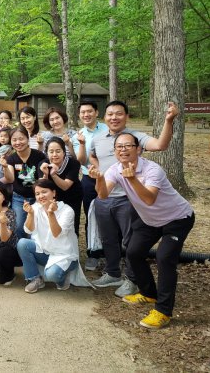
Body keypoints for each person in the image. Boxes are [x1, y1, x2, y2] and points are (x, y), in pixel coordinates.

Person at [89, 133, 194, 329]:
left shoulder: (153, 170)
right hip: (150, 220)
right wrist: (99, 179)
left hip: (177, 218)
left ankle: (163, 311)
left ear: (138, 149)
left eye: (128, 145)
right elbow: (102, 195)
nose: (123, 149)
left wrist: (132, 179)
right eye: (119, 146)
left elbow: (149, 199)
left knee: (164, 258)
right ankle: (148, 293)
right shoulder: (115, 169)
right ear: (115, 151)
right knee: (133, 252)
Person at [89, 100, 178, 298]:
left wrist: (169, 121)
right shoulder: (97, 138)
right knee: (108, 238)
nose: (114, 117)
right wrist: (98, 170)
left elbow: (161, 145)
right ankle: (112, 273)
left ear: (127, 116)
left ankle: (132, 279)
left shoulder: (136, 137)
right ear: (104, 117)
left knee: (131, 241)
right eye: (110, 114)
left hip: (129, 198)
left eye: (119, 113)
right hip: (105, 195)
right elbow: (93, 156)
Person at [17, 179, 86, 293]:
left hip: (65, 255)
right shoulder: (35, 207)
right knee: (22, 243)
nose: (41, 196)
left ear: (53, 193)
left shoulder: (67, 210)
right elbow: (28, 230)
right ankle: (35, 279)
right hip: (45, 252)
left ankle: (62, 280)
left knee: (51, 275)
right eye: (37, 194)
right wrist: (31, 214)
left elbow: (56, 233)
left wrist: (51, 213)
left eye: (44, 192)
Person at [72, 100, 108, 270]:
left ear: (96, 112)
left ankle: (111, 253)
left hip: (110, 178)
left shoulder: (108, 130)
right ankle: (92, 253)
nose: (86, 115)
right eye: (83, 112)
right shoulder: (78, 135)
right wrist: (81, 144)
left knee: (111, 215)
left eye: (89, 111)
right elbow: (80, 161)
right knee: (91, 216)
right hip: (89, 179)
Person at [1, 126, 46, 239]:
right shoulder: (11, 158)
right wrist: (5, 167)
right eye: (14, 140)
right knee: (19, 227)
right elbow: (10, 179)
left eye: (21, 139)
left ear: (27, 139)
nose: (18, 142)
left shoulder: (39, 155)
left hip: (37, 197)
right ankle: (21, 248)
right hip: (19, 198)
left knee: (36, 227)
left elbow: (42, 178)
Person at [40, 137, 83, 236]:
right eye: (51, 152)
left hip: (72, 198)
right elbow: (41, 187)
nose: (54, 154)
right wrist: (45, 174)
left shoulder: (73, 163)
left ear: (64, 152)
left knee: (71, 226)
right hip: (53, 200)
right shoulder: (43, 165)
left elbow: (65, 186)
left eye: (58, 151)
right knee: (52, 226)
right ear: (47, 153)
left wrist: (53, 175)